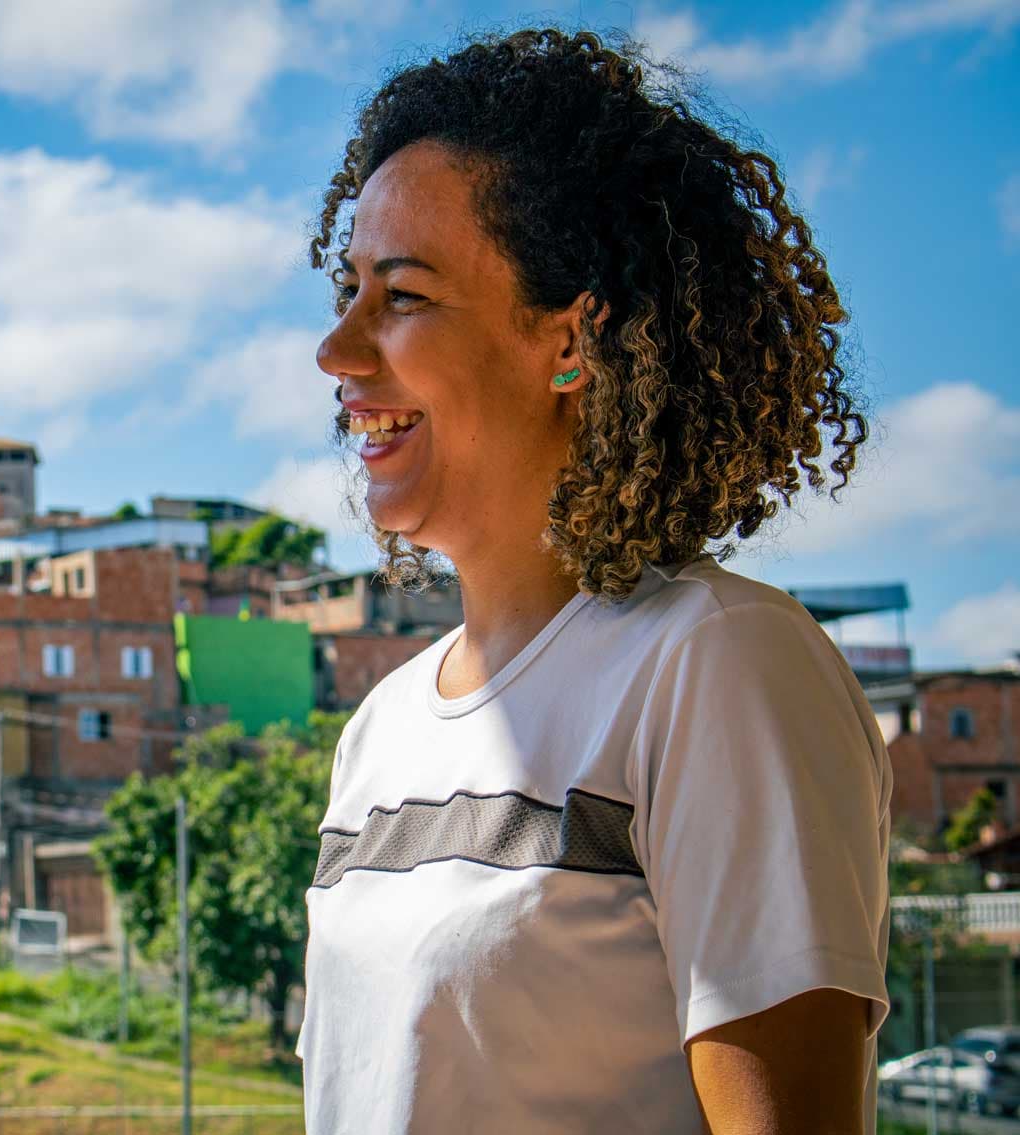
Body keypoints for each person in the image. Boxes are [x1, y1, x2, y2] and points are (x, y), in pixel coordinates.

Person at [298, 28, 888, 1134]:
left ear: (570, 340)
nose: (339, 349)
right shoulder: (378, 731)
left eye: (404, 296)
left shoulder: (716, 663)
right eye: (348, 289)